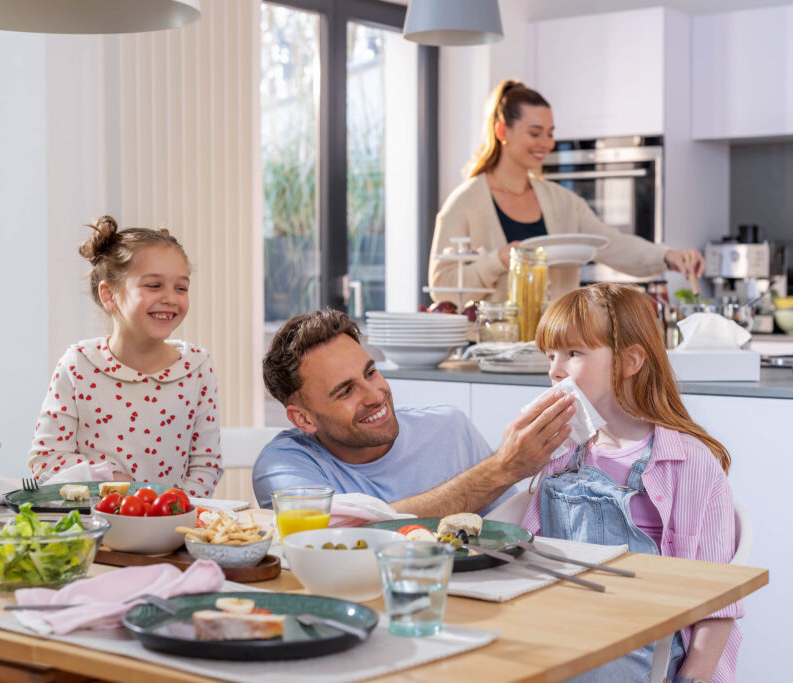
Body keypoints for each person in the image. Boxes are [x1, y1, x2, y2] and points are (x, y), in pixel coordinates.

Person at [523, 283, 742, 683]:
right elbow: (524, 554)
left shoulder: (688, 462)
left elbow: (718, 595)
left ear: (630, 361)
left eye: (573, 354)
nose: (554, 370)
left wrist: (695, 673)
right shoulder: (559, 453)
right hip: (561, 627)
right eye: (550, 355)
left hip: (647, 642)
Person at [253, 308, 574, 513]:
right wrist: (503, 468)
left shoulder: (450, 427)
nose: (375, 395)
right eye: (346, 390)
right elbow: (341, 541)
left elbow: (510, 530)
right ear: (303, 419)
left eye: (370, 372)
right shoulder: (284, 465)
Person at [429, 79, 705, 304]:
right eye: (535, 133)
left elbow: (612, 244)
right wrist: (498, 260)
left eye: (550, 134)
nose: (546, 144)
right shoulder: (464, 203)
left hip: (557, 352)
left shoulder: (561, 201)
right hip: (487, 353)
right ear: (502, 131)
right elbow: (442, 290)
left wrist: (668, 257)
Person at [28, 216, 222, 497]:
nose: (171, 297)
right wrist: (110, 481)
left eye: (181, 287)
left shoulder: (198, 367)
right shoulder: (78, 364)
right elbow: (46, 461)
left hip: (170, 532)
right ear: (110, 295)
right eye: (154, 285)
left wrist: (171, 509)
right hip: (92, 529)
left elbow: (206, 465)